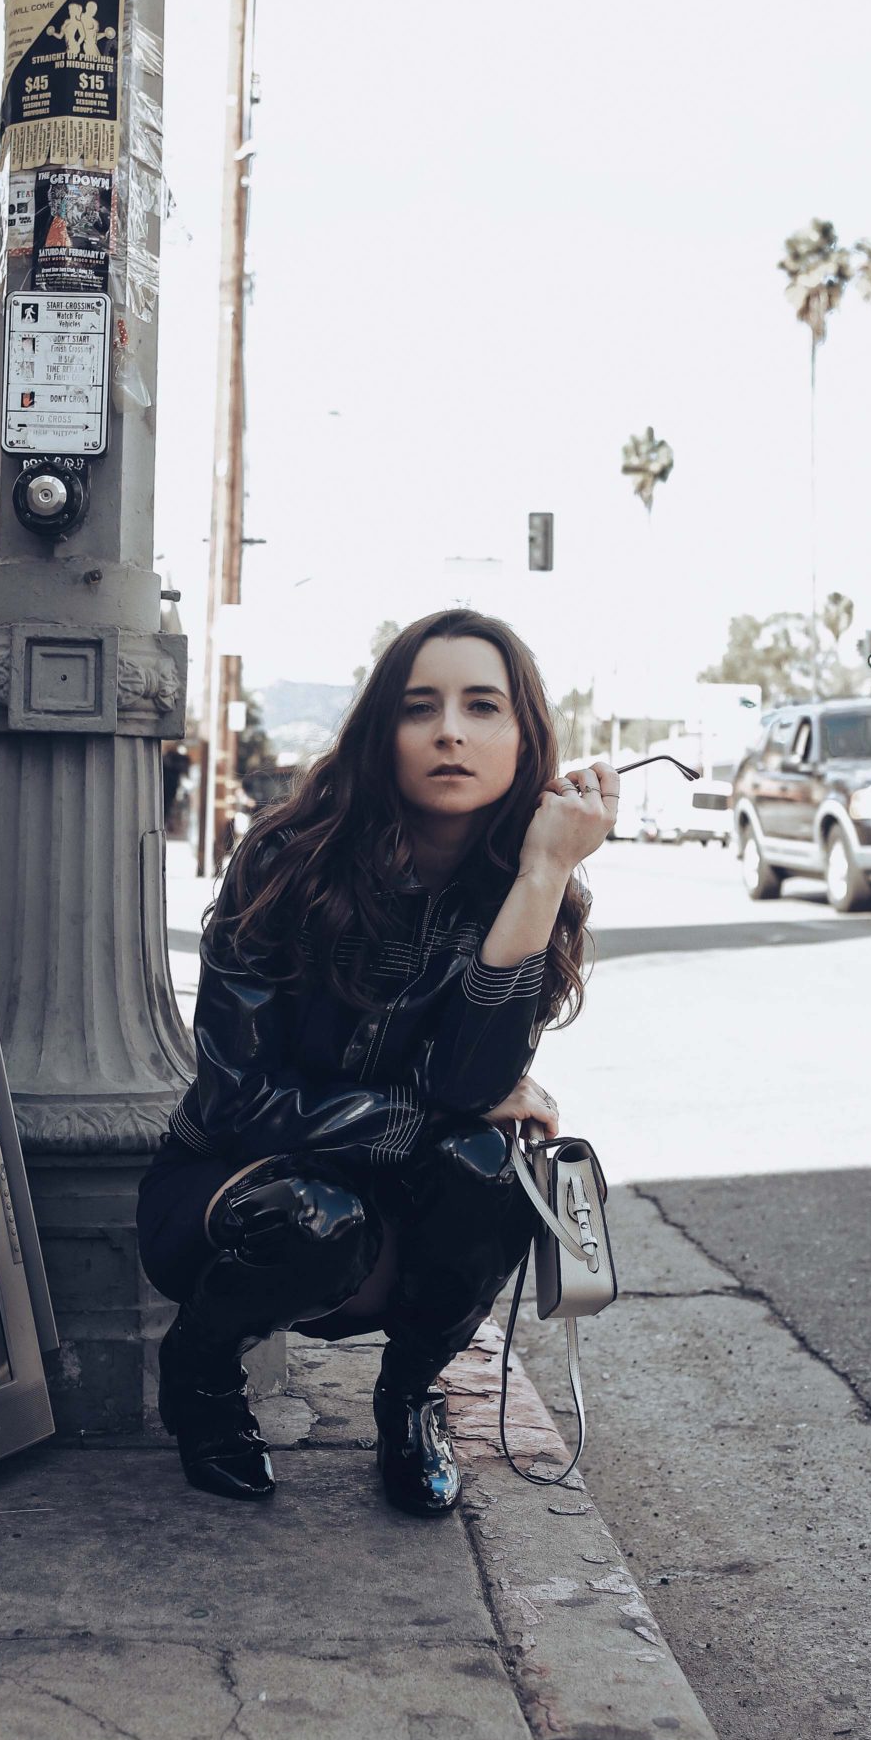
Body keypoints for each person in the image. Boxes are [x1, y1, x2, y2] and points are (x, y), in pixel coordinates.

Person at [137, 608, 617, 1515]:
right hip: (231, 1194)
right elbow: (236, 1098)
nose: (448, 731)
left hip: (391, 1217)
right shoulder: (288, 862)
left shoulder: (528, 884)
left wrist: (543, 875)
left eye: (482, 707)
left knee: (490, 1168)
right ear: (380, 733)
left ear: (525, 739)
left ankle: (406, 1401)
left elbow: (468, 1086)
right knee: (326, 1212)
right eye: (418, 707)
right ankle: (199, 1372)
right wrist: (423, 1117)